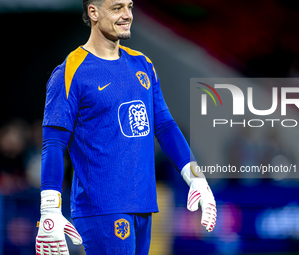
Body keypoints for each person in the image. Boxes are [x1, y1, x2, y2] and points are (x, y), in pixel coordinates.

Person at [35, 0, 217, 254]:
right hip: (102, 208)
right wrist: (49, 209)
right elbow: (53, 144)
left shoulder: (143, 64)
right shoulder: (69, 72)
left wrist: (197, 180)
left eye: (130, 7)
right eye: (117, 8)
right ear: (93, 12)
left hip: (144, 204)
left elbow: (164, 126)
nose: (127, 15)